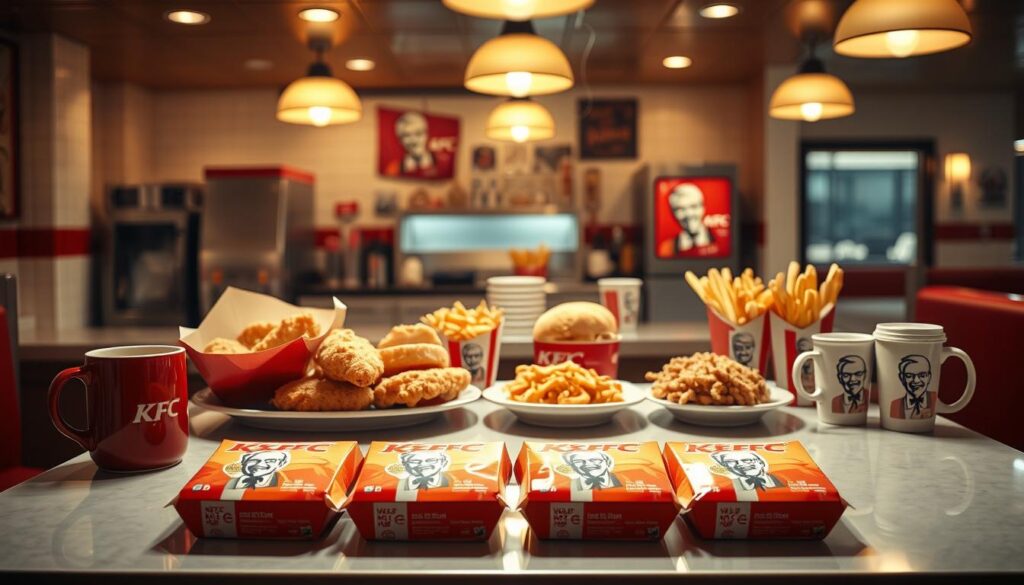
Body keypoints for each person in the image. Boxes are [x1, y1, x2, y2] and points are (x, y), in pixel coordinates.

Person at [659, 183, 713, 257]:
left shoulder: (723, 241)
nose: (689, 214)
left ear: (703, 208)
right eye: (680, 209)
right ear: (673, 213)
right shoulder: (666, 249)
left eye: (694, 206)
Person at [711, 450, 786, 502]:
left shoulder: (783, 478)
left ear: (761, 463)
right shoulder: (726, 486)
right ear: (727, 467)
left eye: (746, 460)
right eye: (731, 462)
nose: (740, 464)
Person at [385, 112, 435, 178]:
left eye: (418, 134)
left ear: (427, 136)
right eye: (407, 135)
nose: (414, 141)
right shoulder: (393, 169)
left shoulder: (441, 163)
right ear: (400, 140)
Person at [890, 354, 935, 419]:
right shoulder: (895, 404)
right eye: (909, 375)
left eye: (922, 375)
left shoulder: (934, 398)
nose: (916, 381)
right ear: (902, 378)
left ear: (929, 377)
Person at [224, 451, 290, 490]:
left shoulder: (285, 481)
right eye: (253, 460)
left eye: (270, 461)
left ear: (281, 464)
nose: (261, 464)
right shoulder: (231, 481)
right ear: (244, 462)